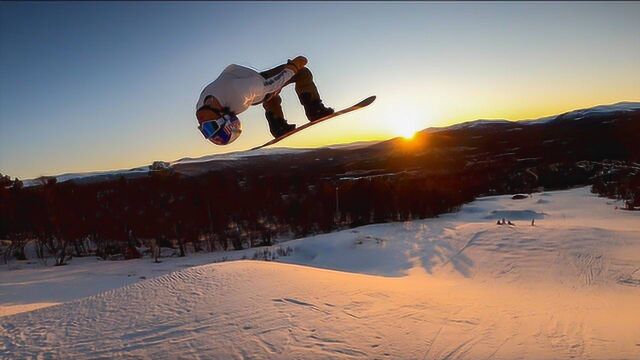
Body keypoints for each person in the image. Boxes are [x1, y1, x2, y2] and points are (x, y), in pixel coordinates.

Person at [195, 56, 334, 145]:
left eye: (204, 130)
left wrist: (292, 67)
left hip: (252, 88)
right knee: (303, 74)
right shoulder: (240, 91)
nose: (201, 121)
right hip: (257, 87)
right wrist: (295, 66)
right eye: (210, 126)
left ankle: (277, 125)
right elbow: (274, 83)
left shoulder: (201, 105)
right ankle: (314, 110)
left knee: (268, 96)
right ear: (223, 117)